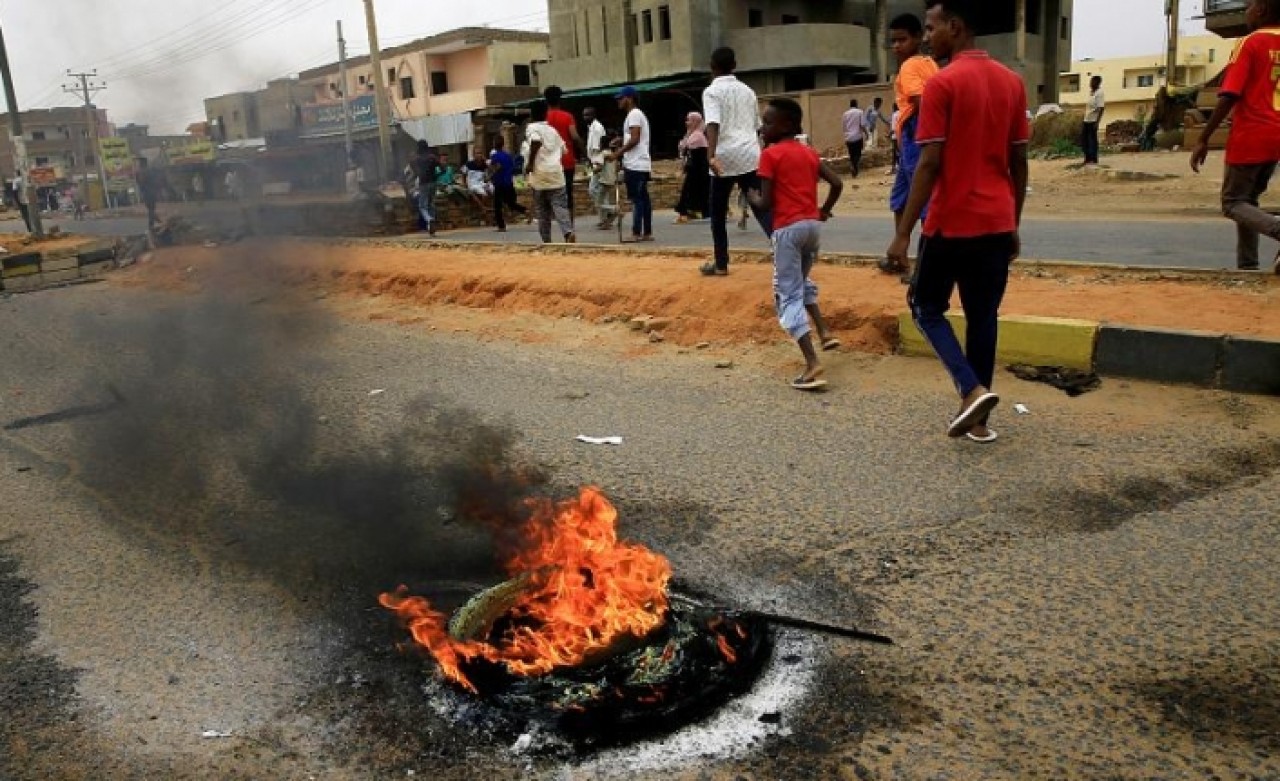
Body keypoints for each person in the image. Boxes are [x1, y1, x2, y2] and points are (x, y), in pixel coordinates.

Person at [886, 0, 1030, 443]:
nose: (928, 37)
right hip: (996, 221)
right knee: (983, 315)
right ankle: (980, 421)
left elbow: (929, 164)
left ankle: (970, 390)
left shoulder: (943, 86)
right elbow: (1019, 162)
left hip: (950, 223)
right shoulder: (1013, 83)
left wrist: (903, 233)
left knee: (925, 306)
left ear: (956, 26)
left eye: (932, 28)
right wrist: (1013, 221)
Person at [746, 98, 844, 392]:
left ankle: (812, 364)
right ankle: (824, 332)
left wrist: (752, 199)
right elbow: (837, 183)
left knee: (786, 292)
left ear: (786, 124)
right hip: (812, 227)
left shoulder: (770, 156)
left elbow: (766, 201)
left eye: (768, 122)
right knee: (801, 281)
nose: (763, 128)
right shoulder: (809, 152)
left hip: (787, 229)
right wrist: (823, 210)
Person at [1190, 0, 1280, 274]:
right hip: (1276, 135)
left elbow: (1230, 94)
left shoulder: (1250, 42)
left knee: (1232, 203)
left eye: (1250, 5)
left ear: (1262, 9)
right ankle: (1247, 266)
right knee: (1248, 200)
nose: (1247, 11)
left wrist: (1204, 137)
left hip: (1252, 133)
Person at [701, 46, 769, 275]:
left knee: (718, 213)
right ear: (735, 65)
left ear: (712, 67)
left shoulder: (711, 92)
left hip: (724, 156)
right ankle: (785, 252)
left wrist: (710, 155)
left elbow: (713, 124)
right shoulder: (748, 91)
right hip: (750, 155)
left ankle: (721, 264)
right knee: (761, 207)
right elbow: (758, 126)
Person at [882, 13, 940, 278]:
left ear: (917, 38)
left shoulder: (910, 66)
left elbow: (921, 101)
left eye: (902, 40)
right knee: (900, 199)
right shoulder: (931, 64)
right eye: (893, 42)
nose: (896, 46)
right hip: (913, 133)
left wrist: (923, 135)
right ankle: (900, 257)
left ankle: (923, 268)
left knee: (923, 199)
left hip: (915, 131)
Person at [525, 101, 576, 244]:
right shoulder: (553, 130)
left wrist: (530, 163)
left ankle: (547, 241)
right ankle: (568, 232)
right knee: (560, 206)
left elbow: (535, 141)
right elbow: (564, 150)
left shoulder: (532, 128)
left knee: (542, 212)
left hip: (539, 175)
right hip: (556, 174)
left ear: (531, 115)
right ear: (545, 113)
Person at [610, 86, 652, 242]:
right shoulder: (635, 115)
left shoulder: (634, 114)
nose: (619, 101)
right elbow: (632, 137)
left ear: (630, 98)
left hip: (635, 163)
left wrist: (617, 153)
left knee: (637, 199)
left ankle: (636, 232)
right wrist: (621, 140)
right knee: (643, 198)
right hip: (640, 162)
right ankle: (646, 231)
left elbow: (635, 139)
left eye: (621, 98)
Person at [544, 86, 583, 227]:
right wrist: (584, 152)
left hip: (549, 163)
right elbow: (575, 136)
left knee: (550, 195)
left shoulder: (545, 119)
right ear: (560, 99)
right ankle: (569, 227)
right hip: (566, 161)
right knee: (567, 194)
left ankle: (550, 225)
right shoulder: (567, 116)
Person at [674, 112, 710, 223]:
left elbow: (686, 148)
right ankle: (693, 211)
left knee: (689, 190)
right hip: (695, 169)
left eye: (689, 120)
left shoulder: (697, 136)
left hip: (698, 169)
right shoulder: (691, 134)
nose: (687, 123)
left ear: (695, 121)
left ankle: (685, 212)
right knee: (694, 191)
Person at [488, 136, 527, 233]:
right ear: (503, 144)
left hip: (500, 183)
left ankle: (501, 226)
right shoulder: (508, 156)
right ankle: (525, 210)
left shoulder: (495, 156)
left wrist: (490, 176)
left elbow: (498, 167)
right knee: (510, 203)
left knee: (497, 205)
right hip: (508, 182)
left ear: (494, 144)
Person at [410, 139, 441, 235]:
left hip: (423, 183)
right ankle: (432, 227)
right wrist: (438, 174)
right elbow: (441, 167)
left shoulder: (415, 159)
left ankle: (429, 219)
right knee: (431, 203)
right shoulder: (432, 157)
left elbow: (415, 172)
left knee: (422, 206)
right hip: (433, 182)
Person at [584, 106, 607, 224]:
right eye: (584, 115)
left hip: (599, 163)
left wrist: (597, 165)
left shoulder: (597, 128)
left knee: (593, 190)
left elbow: (599, 148)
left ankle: (609, 213)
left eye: (588, 115)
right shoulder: (591, 128)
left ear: (593, 115)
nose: (585, 117)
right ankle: (605, 217)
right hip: (595, 162)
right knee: (598, 190)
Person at [597, 132, 622, 230]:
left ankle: (615, 209)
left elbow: (599, 167)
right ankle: (606, 223)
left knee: (599, 203)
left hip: (604, 180)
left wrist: (593, 170)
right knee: (604, 201)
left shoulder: (603, 154)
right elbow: (618, 167)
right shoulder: (613, 154)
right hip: (612, 180)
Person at [1082, 76, 1105, 166]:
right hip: (1086, 119)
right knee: (1084, 140)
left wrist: (1097, 122)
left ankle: (1093, 159)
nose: (1090, 84)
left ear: (1097, 83)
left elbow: (1101, 108)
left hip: (1093, 120)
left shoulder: (1100, 93)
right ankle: (1087, 158)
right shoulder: (1091, 93)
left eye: (1092, 82)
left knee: (1092, 140)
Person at [137, 157, 165, 228]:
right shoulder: (149, 171)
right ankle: (158, 222)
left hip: (147, 193)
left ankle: (152, 225)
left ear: (141, 163)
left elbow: (141, 183)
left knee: (151, 210)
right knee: (151, 209)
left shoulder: (142, 171)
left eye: (139, 163)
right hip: (151, 193)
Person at [464, 148, 493, 214]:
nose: (479, 155)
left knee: (492, 188)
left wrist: (486, 160)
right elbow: (463, 173)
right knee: (484, 194)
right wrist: (465, 184)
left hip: (481, 183)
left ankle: (486, 207)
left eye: (480, 153)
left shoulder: (484, 164)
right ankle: (483, 208)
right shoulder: (469, 164)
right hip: (473, 184)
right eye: (477, 153)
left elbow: (491, 171)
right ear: (474, 155)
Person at [842, 99, 866, 179]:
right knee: (858, 154)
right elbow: (862, 125)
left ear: (850, 105)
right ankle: (855, 167)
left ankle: (853, 167)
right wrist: (866, 133)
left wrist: (846, 137)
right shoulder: (860, 112)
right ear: (856, 104)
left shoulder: (845, 114)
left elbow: (844, 127)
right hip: (857, 137)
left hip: (849, 138)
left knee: (852, 155)